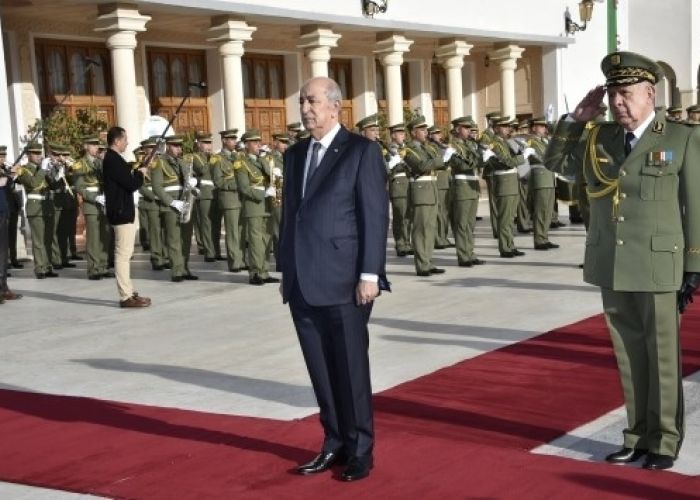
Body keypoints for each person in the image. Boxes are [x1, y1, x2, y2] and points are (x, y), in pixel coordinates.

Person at [544, 51, 700, 471]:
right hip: (613, 262)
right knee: (629, 355)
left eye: (626, 93)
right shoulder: (601, 137)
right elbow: (555, 166)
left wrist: (694, 265)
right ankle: (637, 437)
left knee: (662, 356)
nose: (618, 103)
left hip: (658, 264)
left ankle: (665, 439)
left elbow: (696, 205)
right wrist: (576, 122)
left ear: (650, 93)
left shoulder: (681, 137)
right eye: (613, 94)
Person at [279, 76, 388, 482]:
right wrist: (286, 271)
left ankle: (361, 449)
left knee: (350, 368)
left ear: (335, 107)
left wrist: (370, 273)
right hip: (303, 282)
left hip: (346, 282)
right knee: (320, 370)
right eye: (301, 101)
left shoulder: (361, 151)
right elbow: (290, 217)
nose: (305, 109)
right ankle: (334, 442)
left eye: (312, 101)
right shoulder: (294, 155)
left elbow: (374, 217)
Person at [101, 126, 151, 308]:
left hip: (122, 211)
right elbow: (130, 184)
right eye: (125, 139)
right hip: (120, 213)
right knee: (122, 255)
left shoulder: (115, 159)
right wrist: (141, 173)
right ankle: (125, 296)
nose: (127, 142)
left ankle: (129, 291)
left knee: (126, 254)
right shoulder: (113, 159)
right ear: (117, 141)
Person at [0, 161, 23, 304]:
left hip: (3, 213)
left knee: (3, 254)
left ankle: (3, 288)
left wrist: (10, 176)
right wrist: (7, 178)